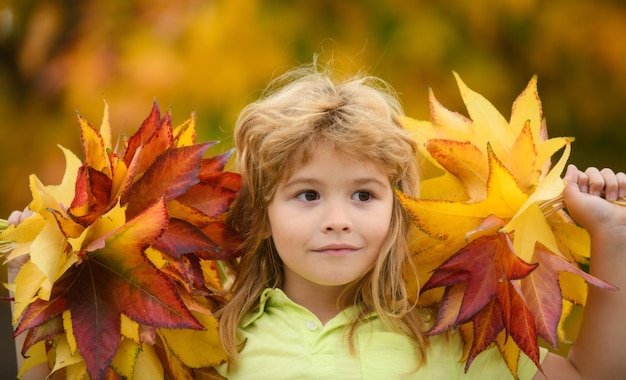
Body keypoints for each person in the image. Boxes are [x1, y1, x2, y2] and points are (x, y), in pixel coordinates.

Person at [8, 63, 626, 379]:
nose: (337, 220)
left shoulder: (447, 333)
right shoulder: (208, 336)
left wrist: (612, 240)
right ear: (263, 211)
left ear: (399, 206)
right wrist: (40, 280)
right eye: (306, 196)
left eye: (363, 196)